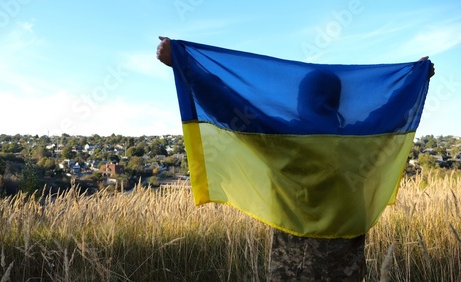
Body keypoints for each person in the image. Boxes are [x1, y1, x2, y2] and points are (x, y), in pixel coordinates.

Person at [156, 36, 434, 281]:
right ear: (336, 100)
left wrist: (183, 65)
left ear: (301, 99)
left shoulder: (282, 137)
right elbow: (389, 114)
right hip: (347, 265)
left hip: (295, 264)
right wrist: (416, 80)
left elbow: (228, 106)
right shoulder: (360, 141)